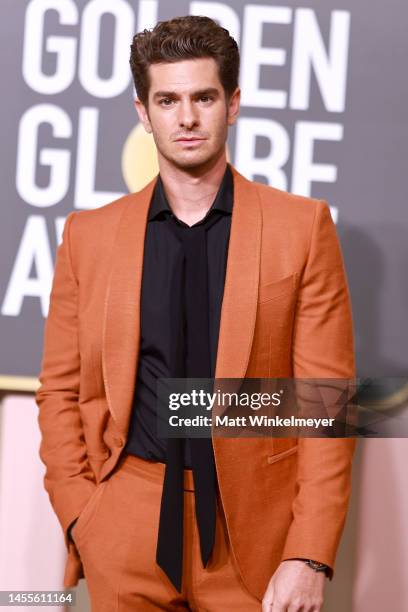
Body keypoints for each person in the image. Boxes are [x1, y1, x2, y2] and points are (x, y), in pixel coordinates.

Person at [36, 15, 356, 612]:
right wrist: (84, 514)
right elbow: (58, 390)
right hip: (126, 518)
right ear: (143, 111)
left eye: (203, 97)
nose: (186, 118)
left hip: (252, 532)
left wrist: (308, 553)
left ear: (232, 104)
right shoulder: (89, 235)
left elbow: (326, 402)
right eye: (168, 100)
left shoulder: (301, 228)